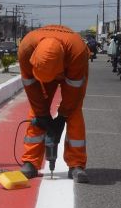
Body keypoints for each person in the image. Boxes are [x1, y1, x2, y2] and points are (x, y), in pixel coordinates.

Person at [18, 25, 90, 183]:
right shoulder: (26, 48)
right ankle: (30, 162)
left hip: (71, 69)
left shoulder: (77, 52)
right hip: (47, 68)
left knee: (74, 112)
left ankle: (76, 164)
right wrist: (42, 114)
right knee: (36, 113)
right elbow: (30, 85)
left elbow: (73, 93)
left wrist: (62, 116)